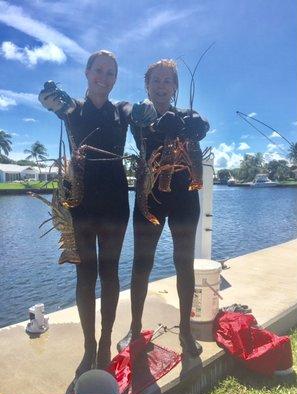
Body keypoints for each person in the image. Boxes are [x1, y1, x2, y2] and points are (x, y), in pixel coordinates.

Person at [39, 50, 131, 375]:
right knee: (85, 276)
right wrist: (51, 98)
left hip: (117, 204)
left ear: (115, 78)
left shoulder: (123, 110)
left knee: (110, 273)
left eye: (110, 72)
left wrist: (151, 114)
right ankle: (88, 345)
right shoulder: (73, 108)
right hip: (80, 203)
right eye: (99, 70)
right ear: (87, 72)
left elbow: (142, 113)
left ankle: (106, 340)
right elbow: (53, 103)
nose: (103, 77)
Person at [118, 59, 209, 357]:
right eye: (155, 80)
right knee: (142, 263)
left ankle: (185, 330)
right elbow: (133, 113)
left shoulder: (185, 116)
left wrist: (201, 123)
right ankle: (134, 327)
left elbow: (201, 122)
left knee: (184, 263)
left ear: (175, 87)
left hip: (184, 197)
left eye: (167, 80)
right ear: (146, 85)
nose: (161, 85)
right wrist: (157, 124)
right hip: (150, 196)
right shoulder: (140, 113)